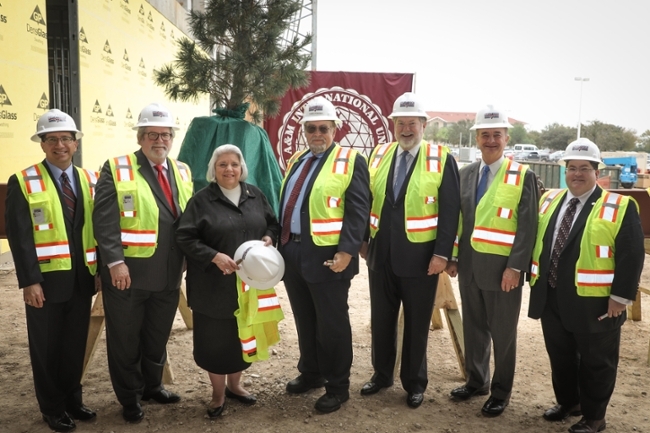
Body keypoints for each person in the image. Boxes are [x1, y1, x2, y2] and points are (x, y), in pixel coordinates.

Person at [528, 138, 644, 433]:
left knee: (597, 363)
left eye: (584, 168)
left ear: (596, 171)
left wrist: (620, 297)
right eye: (571, 168)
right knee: (561, 358)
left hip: (596, 302)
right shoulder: (550, 200)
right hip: (552, 296)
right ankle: (569, 403)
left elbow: (632, 255)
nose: (576, 174)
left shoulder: (619, 206)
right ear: (564, 170)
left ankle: (594, 418)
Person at [93, 103, 193, 423]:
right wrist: (114, 263)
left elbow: (188, 217)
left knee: (156, 335)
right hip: (128, 275)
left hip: (168, 273)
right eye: (152, 134)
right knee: (125, 339)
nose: (159, 140)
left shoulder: (182, 170)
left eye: (165, 134)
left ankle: (152, 386)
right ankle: (130, 397)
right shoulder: (116, 168)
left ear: (172, 138)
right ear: (140, 137)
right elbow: (105, 221)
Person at [359, 92, 461, 409]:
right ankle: (381, 375)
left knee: (417, 325)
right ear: (392, 125)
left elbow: (451, 210)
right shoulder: (378, 155)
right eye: (400, 123)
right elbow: (365, 200)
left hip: (421, 260)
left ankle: (415, 383)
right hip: (380, 256)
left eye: (411, 123)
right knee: (382, 320)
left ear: (423, 125)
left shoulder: (442, 158)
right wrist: (363, 241)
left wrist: (443, 255)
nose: (405, 129)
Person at [4, 109, 98, 432]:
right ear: (42, 144)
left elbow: (94, 229)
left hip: (82, 281)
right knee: (46, 348)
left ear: (75, 143)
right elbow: (20, 237)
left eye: (66, 139)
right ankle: (52, 407)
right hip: (44, 284)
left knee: (74, 345)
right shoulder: (24, 181)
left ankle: (73, 398)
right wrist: (30, 281)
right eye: (52, 139)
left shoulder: (89, 179)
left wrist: (97, 269)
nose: (60, 145)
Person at [279, 96, 370, 413]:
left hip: (329, 257)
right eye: (311, 128)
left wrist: (347, 251)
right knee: (305, 319)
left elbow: (359, 211)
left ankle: (337, 386)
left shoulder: (350, 160)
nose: (317, 134)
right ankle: (312, 373)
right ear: (304, 129)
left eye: (323, 128)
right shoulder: (298, 160)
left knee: (331, 324)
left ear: (335, 129)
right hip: (294, 252)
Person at [176, 145, 281, 418]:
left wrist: (269, 238)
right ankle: (218, 393)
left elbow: (272, 223)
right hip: (212, 286)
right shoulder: (201, 201)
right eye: (222, 164)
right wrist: (214, 256)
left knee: (240, 335)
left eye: (234, 164)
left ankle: (236, 385)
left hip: (248, 285)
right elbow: (185, 237)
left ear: (241, 167)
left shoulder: (255, 194)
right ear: (214, 169)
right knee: (214, 341)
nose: (229, 169)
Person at [446, 105, 538, 416]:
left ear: (506, 138)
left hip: (503, 273)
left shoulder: (522, 175)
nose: (490, 140)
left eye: (496, 134)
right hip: (470, 268)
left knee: (503, 335)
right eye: (485, 134)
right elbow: (461, 220)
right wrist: (455, 257)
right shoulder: (466, 173)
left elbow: (527, 227)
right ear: (476, 138)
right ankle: (477, 381)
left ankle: (501, 392)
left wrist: (515, 268)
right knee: (474, 329)